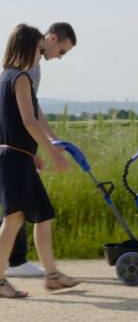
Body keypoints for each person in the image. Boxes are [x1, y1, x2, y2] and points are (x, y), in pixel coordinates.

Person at [0, 24, 81, 298]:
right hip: (13, 160)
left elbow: (11, 125)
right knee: (12, 221)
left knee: (43, 216)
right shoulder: (20, 77)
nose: (40, 55)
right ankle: (0, 282)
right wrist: (52, 151)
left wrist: (31, 152)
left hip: (18, 156)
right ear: (27, 47)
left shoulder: (6, 77)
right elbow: (28, 120)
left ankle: (53, 276)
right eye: (37, 49)